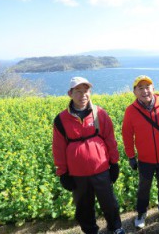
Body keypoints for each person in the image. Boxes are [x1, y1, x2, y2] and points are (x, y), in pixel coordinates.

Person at [52, 77, 125, 234]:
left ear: (90, 92)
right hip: (77, 174)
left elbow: (110, 139)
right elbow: (58, 148)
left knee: (109, 203)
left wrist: (114, 163)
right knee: (83, 207)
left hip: (101, 169)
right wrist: (62, 173)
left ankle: (116, 227)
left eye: (86, 91)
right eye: (78, 92)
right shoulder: (61, 120)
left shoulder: (99, 113)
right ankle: (91, 231)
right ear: (70, 94)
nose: (83, 95)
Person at [121, 75, 159, 229]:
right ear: (134, 92)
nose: (144, 91)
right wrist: (131, 156)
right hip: (145, 159)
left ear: (153, 89)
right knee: (144, 188)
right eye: (140, 88)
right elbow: (127, 135)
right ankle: (141, 213)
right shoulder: (131, 111)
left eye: (147, 87)